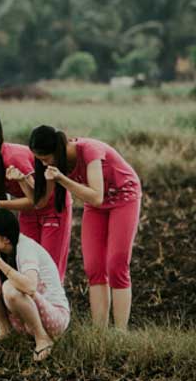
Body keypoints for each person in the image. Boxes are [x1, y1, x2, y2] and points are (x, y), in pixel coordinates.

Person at [29, 125, 141, 330]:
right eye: (40, 159)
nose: (43, 163)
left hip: (123, 197)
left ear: (58, 150)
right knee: (94, 268)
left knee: (116, 264)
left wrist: (62, 179)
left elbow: (96, 196)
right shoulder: (54, 164)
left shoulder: (89, 150)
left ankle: (120, 331)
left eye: (45, 158)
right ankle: (100, 331)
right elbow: (42, 201)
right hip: (96, 207)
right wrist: (23, 181)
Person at [0, 110, 74, 280]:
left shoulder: (14, 157)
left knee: (50, 267)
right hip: (28, 213)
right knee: (26, 261)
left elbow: (36, 199)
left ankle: (54, 305)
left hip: (52, 208)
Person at [0, 209, 70, 361]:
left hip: (54, 318)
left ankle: (42, 338)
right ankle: (5, 331)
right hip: (25, 318)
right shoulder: (0, 248)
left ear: (6, 239)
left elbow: (30, 287)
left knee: (10, 287)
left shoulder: (26, 247)